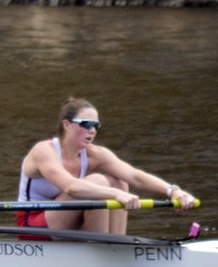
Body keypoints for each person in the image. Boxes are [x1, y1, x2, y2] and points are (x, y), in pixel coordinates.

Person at [16, 98, 197, 235]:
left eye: (96, 126)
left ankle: (116, 244)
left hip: (62, 221)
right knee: (100, 181)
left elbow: (135, 176)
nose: (92, 131)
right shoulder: (44, 151)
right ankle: (101, 250)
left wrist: (173, 191)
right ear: (67, 125)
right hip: (33, 225)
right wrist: (116, 195)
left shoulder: (95, 154)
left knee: (118, 181)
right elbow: (71, 187)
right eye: (86, 125)